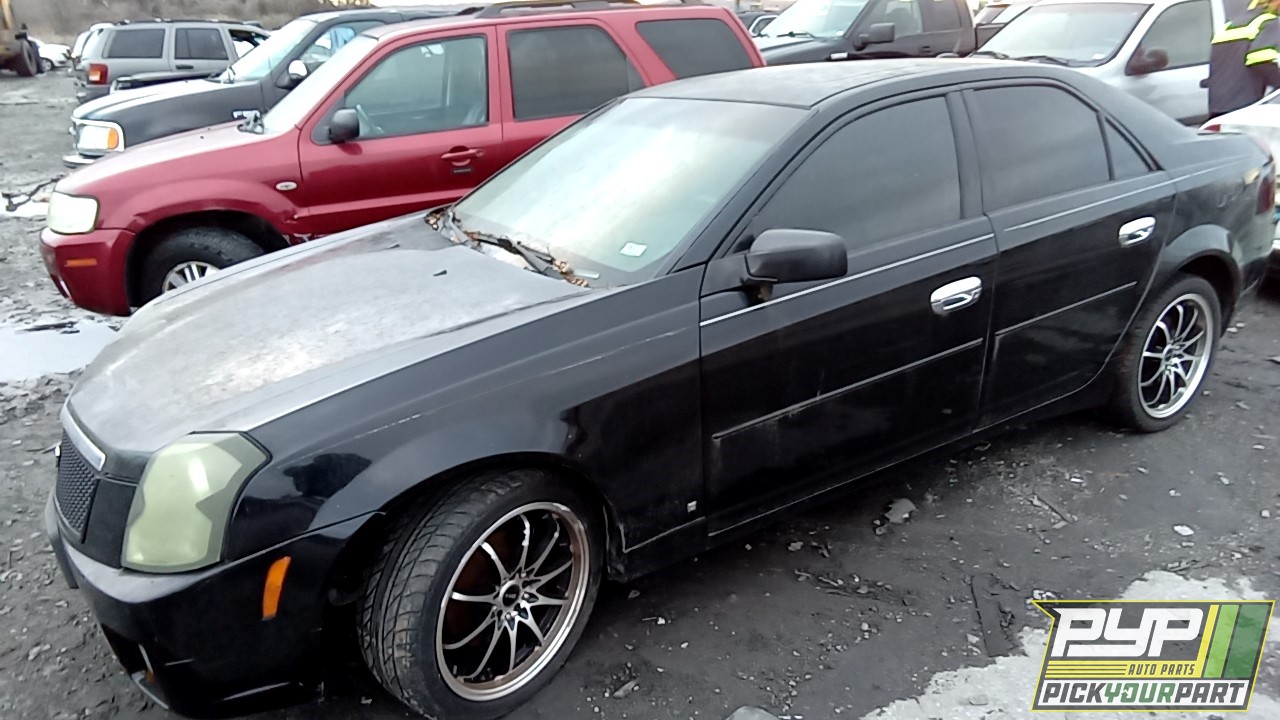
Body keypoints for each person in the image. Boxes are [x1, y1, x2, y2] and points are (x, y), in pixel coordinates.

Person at [1209, 0, 1280, 116]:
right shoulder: (1268, 21)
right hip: (1245, 106)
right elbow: (1260, 61)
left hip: (1217, 106)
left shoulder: (1228, 26)